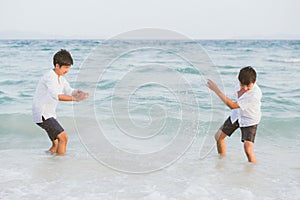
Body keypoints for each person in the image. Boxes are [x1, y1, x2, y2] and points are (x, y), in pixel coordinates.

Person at [32, 49, 88, 155]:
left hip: (49, 114)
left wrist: (78, 93)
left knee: (56, 144)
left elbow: (69, 91)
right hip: (42, 114)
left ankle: (48, 164)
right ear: (57, 66)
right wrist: (75, 99)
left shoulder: (60, 78)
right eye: (66, 67)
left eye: (69, 68)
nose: (67, 70)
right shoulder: (50, 77)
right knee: (64, 138)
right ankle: (60, 166)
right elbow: (56, 96)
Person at [206, 66, 262, 162]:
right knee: (218, 137)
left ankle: (252, 171)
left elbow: (232, 105)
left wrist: (216, 90)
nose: (244, 88)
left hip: (249, 119)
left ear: (254, 82)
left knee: (248, 148)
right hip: (237, 115)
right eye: (242, 85)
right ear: (239, 81)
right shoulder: (241, 83)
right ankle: (221, 162)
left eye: (248, 86)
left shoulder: (254, 94)